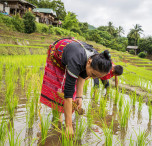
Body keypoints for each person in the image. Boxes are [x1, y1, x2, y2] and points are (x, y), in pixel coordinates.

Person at [40, 37, 112, 136]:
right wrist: (69, 126)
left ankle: (61, 116)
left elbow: (83, 75)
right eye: (93, 74)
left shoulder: (96, 58)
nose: (92, 77)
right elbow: (68, 95)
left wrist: (79, 97)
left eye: (96, 77)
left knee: (73, 91)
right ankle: (58, 119)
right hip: (58, 55)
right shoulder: (76, 60)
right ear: (89, 62)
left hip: (75, 57)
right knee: (59, 89)